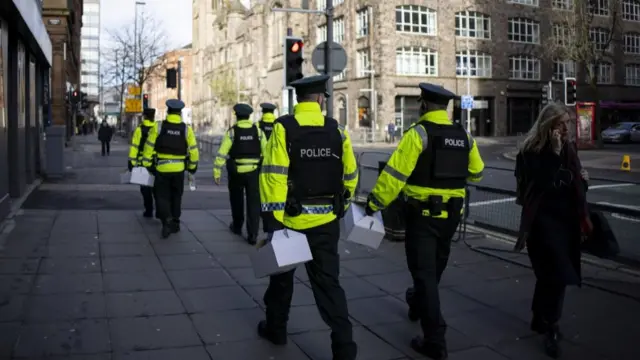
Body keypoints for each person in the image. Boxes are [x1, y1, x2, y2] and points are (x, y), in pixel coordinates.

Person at [365, 83, 484, 359]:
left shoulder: (418, 134)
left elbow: (394, 176)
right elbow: (477, 173)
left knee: (425, 274)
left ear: (423, 105)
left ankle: (435, 340)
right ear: (447, 107)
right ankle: (418, 302)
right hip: (452, 218)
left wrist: (374, 204)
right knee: (433, 271)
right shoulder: (464, 135)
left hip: (422, 217)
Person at [258, 74, 358, 360]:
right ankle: (345, 348)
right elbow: (350, 174)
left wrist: (273, 223)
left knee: (281, 283)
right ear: (320, 99)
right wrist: (343, 201)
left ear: (298, 99)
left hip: (290, 223)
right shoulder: (337, 130)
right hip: (326, 224)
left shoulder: (283, 128)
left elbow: (273, 177)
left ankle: (276, 330)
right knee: (329, 286)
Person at [515, 103, 591, 359]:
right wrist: (555, 154)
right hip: (541, 222)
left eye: (567, 123)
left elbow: (574, 182)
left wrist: (583, 180)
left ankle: (540, 318)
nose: (566, 129)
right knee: (556, 275)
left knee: (552, 275)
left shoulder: (569, 148)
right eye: (561, 124)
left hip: (566, 220)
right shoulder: (530, 152)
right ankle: (552, 328)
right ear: (548, 126)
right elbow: (543, 182)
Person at [142, 99, 199, 238]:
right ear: (179, 113)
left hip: (162, 168)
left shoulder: (159, 126)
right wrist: (192, 167)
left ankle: (166, 219)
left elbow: (148, 147)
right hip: (179, 169)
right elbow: (193, 151)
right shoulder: (186, 129)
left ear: (168, 111)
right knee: (176, 196)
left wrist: (148, 164)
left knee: (162, 196)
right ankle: (175, 221)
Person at [213, 103, 267, 245]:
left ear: (236, 116)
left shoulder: (232, 132)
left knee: (236, 199)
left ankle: (237, 226)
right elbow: (267, 154)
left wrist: (217, 171)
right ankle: (253, 234)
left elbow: (222, 153)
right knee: (253, 203)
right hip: (254, 173)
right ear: (249, 116)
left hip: (236, 172)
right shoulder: (258, 132)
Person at [129, 108, 158, 218]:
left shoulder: (139, 130)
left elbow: (135, 147)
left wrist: (131, 162)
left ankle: (148, 210)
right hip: (157, 163)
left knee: (145, 189)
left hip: (143, 164)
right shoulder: (158, 128)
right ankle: (159, 209)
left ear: (144, 116)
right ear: (153, 116)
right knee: (157, 188)